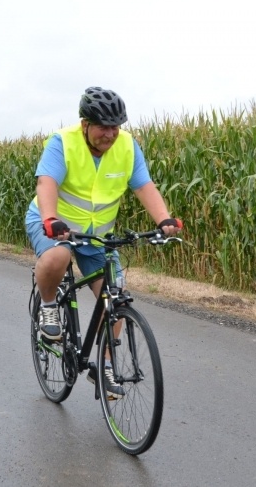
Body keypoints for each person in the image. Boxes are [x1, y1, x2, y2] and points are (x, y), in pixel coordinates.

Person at [25, 86, 182, 397]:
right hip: (56, 226)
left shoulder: (127, 147)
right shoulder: (63, 143)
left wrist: (163, 219)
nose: (109, 134)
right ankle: (47, 306)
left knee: (115, 294)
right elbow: (47, 183)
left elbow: (144, 186)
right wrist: (51, 219)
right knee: (57, 259)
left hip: (98, 236)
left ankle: (105, 368)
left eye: (115, 126)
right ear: (85, 124)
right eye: (102, 127)